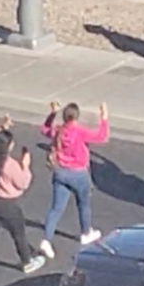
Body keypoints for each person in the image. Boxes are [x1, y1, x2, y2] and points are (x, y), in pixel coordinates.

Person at [0, 116, 45, 285]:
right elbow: (23, 183)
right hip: (7, 205)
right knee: (18, 233)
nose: (13, 145)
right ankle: (27, 262)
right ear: (6, 147)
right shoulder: (9, 165)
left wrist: (3, 127)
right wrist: (25, 165)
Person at [39, 101, 110, 258]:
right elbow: (102, 137)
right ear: (76, 117)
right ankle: (86, 232)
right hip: (79, 173)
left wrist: (52, 114)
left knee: (56, 209)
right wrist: (104, 117)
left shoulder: (58, 131)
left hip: (60, 172)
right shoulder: (79, 133)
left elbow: (44, 129)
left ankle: (46, 239)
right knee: (83, 203)